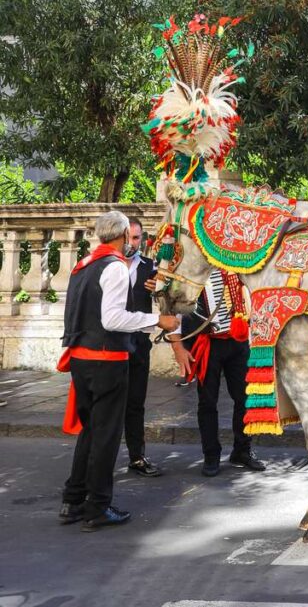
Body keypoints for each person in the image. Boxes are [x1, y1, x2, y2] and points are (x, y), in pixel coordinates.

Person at [58, 211, 179, 531]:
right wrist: (157, 319)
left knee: (91, 431)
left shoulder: (83, 265)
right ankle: (97, 505)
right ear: (124, 235)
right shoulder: (114, 267)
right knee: (106, 435)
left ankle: (73, 500)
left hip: (82, 359)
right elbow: (113, 319)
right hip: (106, 359)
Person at [169, 269, 265, 477]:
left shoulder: (239, 264)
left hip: (238, 341)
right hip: (207, 343)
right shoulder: (196, 265)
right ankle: (211, 455)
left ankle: (242, 450)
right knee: (207, 401)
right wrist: (178, 346)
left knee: (245, 399)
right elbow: (176, 307)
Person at [123, 218, 161, 477]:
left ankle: (137, 457)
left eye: (136, 238)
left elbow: (168, 296)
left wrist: (159, 289)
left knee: (136, 402)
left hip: (139, 342)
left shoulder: (151, 267)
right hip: (112, 343)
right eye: (128, 238)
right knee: (108, 403)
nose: (132, 244)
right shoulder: (105, 265)